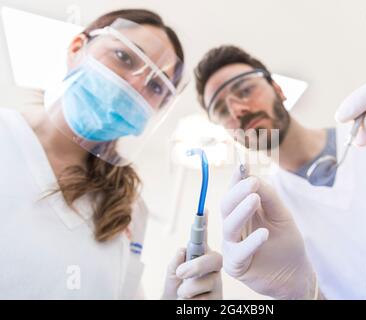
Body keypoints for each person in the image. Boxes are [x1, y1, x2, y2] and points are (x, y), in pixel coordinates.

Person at [194, 45, 366, 299]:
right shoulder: (266, 215)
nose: (238, 109)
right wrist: (300, 294)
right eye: (222, 110)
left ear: (278, 89)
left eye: (245, 90)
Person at [0, 9, 222, 300]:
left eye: (155, 86)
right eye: (125, 57)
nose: (134, 84)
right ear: (77, 48)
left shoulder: (129, 207)